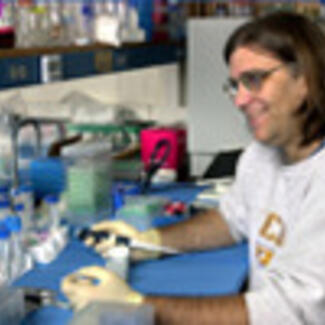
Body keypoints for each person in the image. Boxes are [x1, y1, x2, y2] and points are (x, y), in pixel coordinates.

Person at [62, 11, 325, 324]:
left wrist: (136, 304)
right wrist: (149, 241)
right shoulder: (261, 155)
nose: (240, 100)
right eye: (236, 85)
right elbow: (230, 219)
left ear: (305, 80)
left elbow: (288, 312)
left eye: (254, 79)